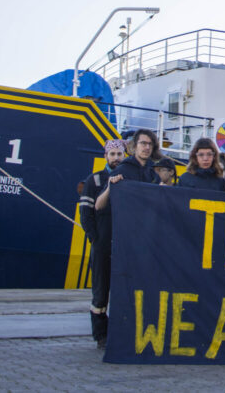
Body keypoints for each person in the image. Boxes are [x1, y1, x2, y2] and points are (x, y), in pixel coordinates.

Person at [78, 138, 125, 349]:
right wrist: (94, 238)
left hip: (124, 245)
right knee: (100, 291)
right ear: (105, 156)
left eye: (119, 154)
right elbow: (86, 213)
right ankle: (100, 335)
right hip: (102, 244)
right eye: (112, 154)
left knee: (121, 290)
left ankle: (118, 332)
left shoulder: (126, 179)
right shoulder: (94, 180)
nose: (116, 158)